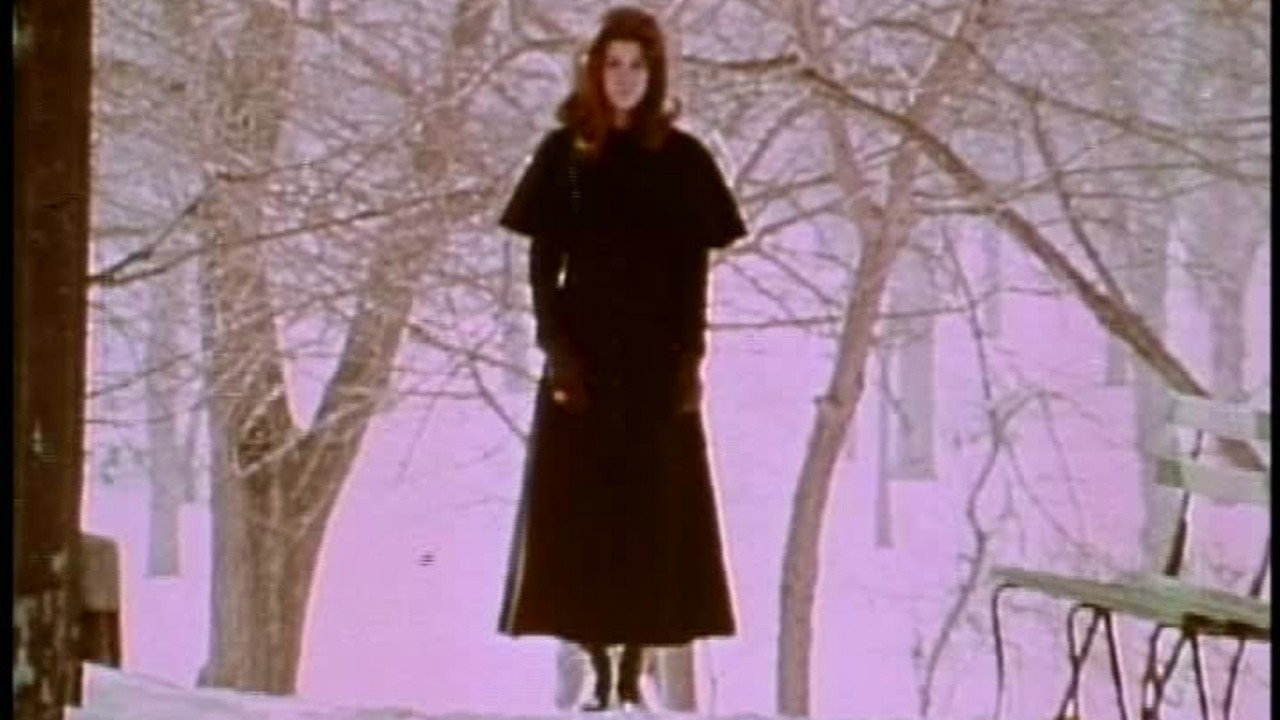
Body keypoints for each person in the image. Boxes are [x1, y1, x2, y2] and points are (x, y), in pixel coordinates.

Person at [495, 6, 745, 712]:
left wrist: (690, 359)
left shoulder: (682, 159)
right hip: (584, 362)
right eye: (614, 65)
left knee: (652, 514)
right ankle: (597, 668)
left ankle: (636, 666)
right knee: (582, 515)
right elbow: (543, 265)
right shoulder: (566, 155)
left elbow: (693, 270)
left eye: (638, 66)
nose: (625, 78)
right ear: (595, 71)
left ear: (654, 74)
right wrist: (557, 351)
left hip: (656, 362)